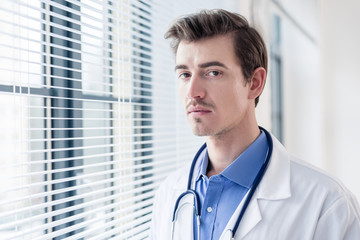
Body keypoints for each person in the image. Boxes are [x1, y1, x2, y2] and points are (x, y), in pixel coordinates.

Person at [150, 9, 360, 240]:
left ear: (255, 83)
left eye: (212, 72)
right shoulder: (169, 194)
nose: (193, 92)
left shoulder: (327, 204)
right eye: (185, 75)